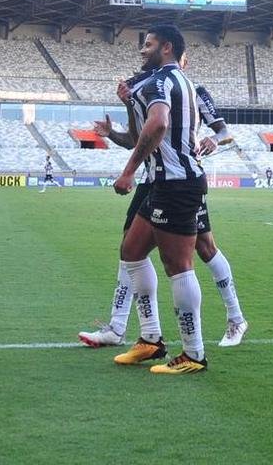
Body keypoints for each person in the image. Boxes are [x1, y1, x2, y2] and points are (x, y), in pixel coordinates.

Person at [82, 71, 248, 350]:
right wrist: (114, 127)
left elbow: (223, 130)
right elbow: (139, 140)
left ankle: (236, 318)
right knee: (129, 248)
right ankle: (119, 327)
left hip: (181, 180)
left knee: (205, 248)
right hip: (152, 182)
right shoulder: (148, 88)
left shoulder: (195, 90)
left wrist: (214, 140)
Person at [107, 24, 211, 374]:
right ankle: (151, 339)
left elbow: (158, 126)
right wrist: (129, 105)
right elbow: (143, 130)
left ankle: (193, 354)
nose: (142, 50)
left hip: (177, 184)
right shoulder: (180, 81)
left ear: (166, 48)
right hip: (163, 183)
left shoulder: (159, 82)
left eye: (148, 45)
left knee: (178, 265)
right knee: (131, 251)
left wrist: (128, 171)